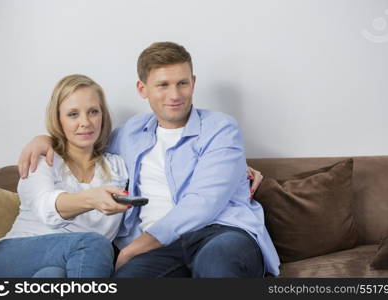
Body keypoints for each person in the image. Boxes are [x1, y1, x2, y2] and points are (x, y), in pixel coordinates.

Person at [18, 42, 280, 277]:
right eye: (163, 85)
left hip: (220, 232)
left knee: (216, 265)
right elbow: (85, 140)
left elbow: (203, 203)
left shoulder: (221, 129)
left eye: (183, 83)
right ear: (142, 89)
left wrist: (133, 250)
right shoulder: (127, 135)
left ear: (194, 83)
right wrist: (46, 140)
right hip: (160, 250)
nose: (175, 95)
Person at [0, 74, 130, 278]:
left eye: (93, 112)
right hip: (14, 255)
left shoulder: (117, 167)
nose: (85, 122)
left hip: (67, 264)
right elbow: (46, 207)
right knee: (92, 243)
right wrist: (92, 198)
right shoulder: (42, 158)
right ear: (58, 119)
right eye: (73, 114)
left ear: (103, 116)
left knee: (52, 276)